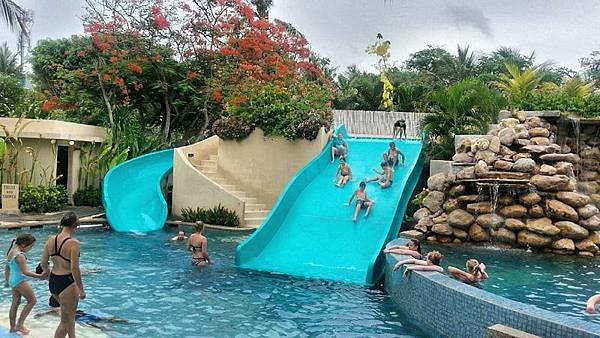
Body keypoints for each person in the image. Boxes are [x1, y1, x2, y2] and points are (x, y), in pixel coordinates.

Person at [40, 211, 85, 338]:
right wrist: (81, 290)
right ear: (76, 225)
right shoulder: (74, 243)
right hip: (67, 282)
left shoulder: (50, 240)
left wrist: (47, 273)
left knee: (70, 316)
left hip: (54, 281)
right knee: (65, 321)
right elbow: (75, 268)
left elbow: (43, 263)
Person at [4, 234, 46, 335]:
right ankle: (19, 325)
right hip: (19, 280)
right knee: (32, 301)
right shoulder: (20, 256)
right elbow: (25, 272)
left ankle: (13, 327)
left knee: (15, 303)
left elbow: (7, 267)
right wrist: (40, 276)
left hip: (12, 280)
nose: (31, 249)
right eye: (31, 246)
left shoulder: (11, 251)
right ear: (23, 245)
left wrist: (7, 280)